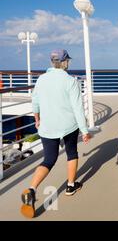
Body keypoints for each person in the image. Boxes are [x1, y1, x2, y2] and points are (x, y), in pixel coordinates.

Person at [20, 49, 92, 219]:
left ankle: (31, 189)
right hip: (68, 125)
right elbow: (77, 108)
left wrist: (37, 119)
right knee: (71, 153)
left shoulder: (42, 79)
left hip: (48, 126)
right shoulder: (70, 81)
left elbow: (35, 101)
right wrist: (85, 130)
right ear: (65, 62)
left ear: (53, 62)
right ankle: (70, 186)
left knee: (49, 159)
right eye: (68, 60)